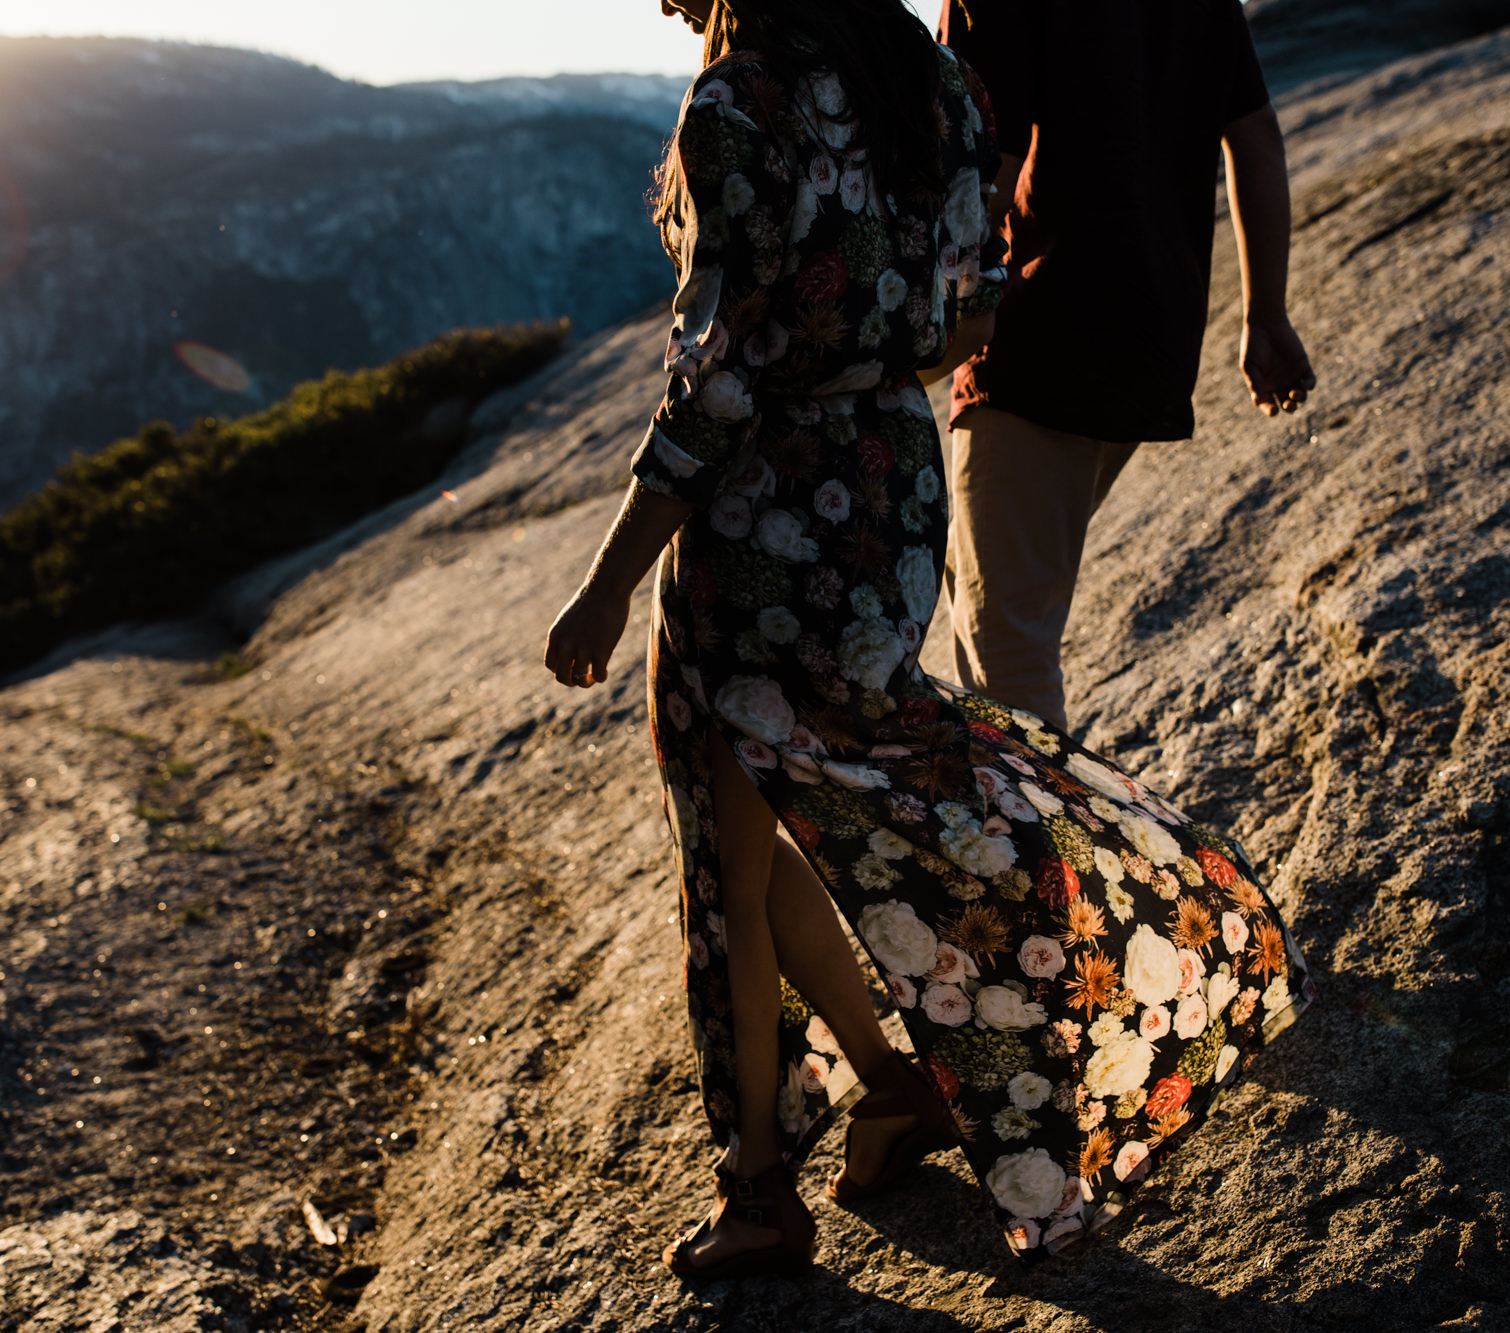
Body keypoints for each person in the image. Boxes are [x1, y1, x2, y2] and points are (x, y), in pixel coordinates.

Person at [548, 0, 1312, 1276]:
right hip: (889, 486)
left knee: (724, 852)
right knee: (790, 799)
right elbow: (969, 311)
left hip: (768, 506)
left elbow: (718, 377)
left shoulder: (737, 103)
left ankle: (758, 1190)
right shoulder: (928, 78)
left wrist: (609, 577)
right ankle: (889, 1078)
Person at [936, 0, 1318, 732]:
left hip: (1040, 338)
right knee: (979, 582)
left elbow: (977, 180)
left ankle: (1045, 846)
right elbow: (1256, 135)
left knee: (1007, 656)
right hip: (1152, 336)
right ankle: (989, 826)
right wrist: (1265, 313)